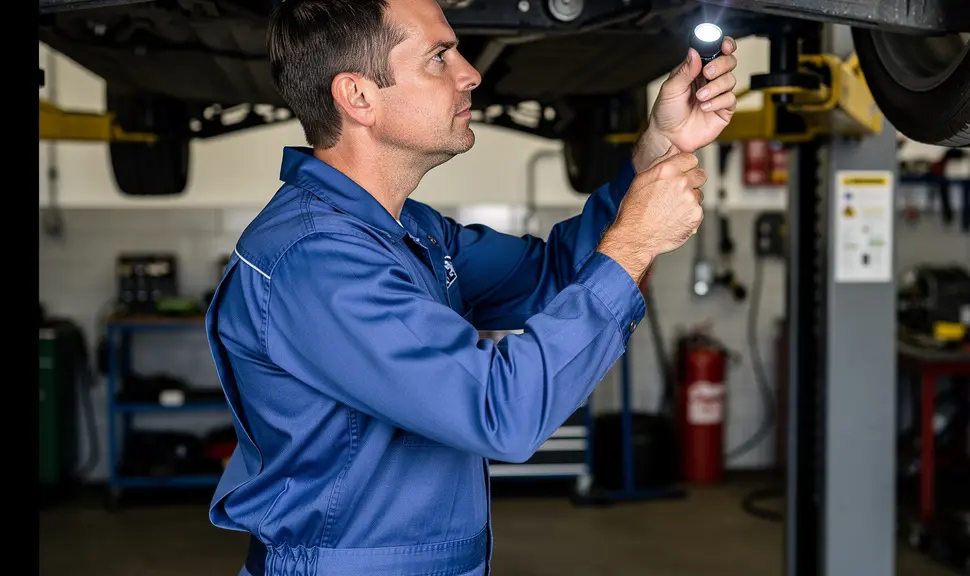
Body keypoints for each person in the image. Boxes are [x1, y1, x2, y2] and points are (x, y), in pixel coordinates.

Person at [204, 0, 739, 574]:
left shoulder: (405, 230)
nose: (471, 73)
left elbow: (554, 274)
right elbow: (499, 413)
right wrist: (633, 243)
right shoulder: (316, 261)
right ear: (358, 96)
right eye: (440, 57)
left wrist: (660, 146)